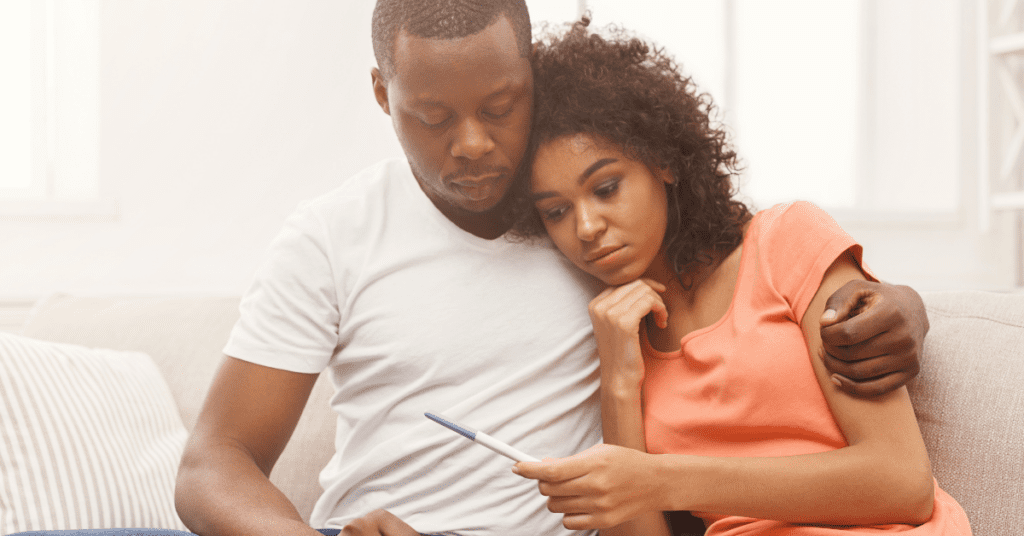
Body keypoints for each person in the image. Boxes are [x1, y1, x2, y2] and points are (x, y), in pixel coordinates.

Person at [171, 2, 932, 536]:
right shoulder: (332, 237)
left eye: (501, 107)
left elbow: (746, 265)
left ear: (530, 79)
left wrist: (899, 303)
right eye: (434, 117)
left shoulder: (600, 238)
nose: (473, 145)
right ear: (383, 94)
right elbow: (212, 465)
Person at [508, 19, 971, 536]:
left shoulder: (785, 241)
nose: (586, 227)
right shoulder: (618, 333)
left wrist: (661, 480)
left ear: (664, 162)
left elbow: (902, 482)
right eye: (556, 212)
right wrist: (618, 380)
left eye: (606, 188)